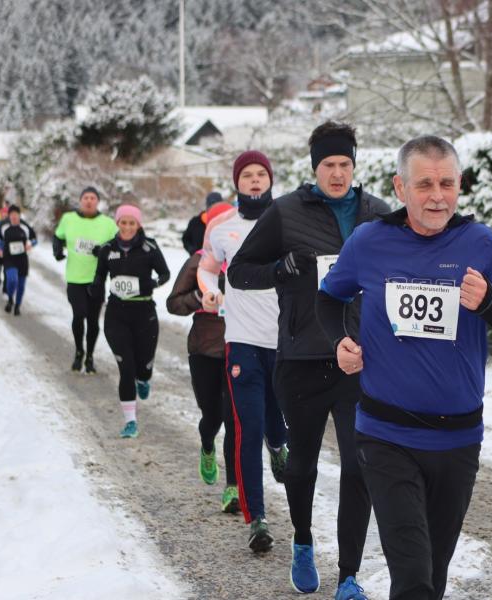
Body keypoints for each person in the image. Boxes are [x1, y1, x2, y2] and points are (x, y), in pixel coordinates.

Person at [316, 135, 492, 600]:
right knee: (413, 576)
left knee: (433, 576)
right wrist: (340, 341)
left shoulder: (480, 243)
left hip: (458, 440)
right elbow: (327, 298)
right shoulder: (370, 242)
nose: (437, 196)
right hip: (385, 434)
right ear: (400, 187)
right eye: (424, 184)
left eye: (447, 183)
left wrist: (489, 302)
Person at [227, 121, 389, 599]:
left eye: (344, 164)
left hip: (357, 361)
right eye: (328, 165)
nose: (337, 173)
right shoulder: (285, 213)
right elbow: (239, 273)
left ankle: (349, 576)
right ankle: (302, 540)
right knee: (302, 468)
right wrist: (280, 269)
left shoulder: (378, 215)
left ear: (354, 166)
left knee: (359, 467)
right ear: (314, 167)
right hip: (300, 359)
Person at [198, 151, 289, 554]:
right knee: (247, 428)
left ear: (270, 180)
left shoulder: (288, 220)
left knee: (276, 421)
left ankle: (278, 444)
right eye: (247, 175)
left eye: (261, 174)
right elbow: (206, 267)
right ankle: (257, 519)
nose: (255, 181)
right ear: (237, 182)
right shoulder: (221, 227)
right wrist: (209, 288)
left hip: (286, 341)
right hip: (242, 340)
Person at [167, 202, 241, 513]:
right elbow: (173, 303)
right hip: (203, 349)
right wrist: (199, 297)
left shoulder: (248, 260)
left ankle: (233, 488)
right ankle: (207, 445)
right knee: (211, 418)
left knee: (233, 420)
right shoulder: (198, 262)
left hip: (239, 348)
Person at [93, 205, 170, 438]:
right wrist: (96, 286)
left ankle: (144, 378)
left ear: (138, 225)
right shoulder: (108, 249)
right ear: (117, 223)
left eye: (131, 223)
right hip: (116, 314)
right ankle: (130, 422)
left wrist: (151, 285)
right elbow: (99, 275)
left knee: (143, 365)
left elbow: (165, 274)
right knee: (126, 369)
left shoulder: (150, 247)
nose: (127, 227)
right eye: (123, 222)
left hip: (144, 313)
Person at [53, 187, 118, 374]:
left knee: (93, 320)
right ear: (80, 201)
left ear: (98, 202)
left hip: (97, 279)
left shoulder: (107, 223)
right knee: (78, 314)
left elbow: (116, 244)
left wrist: (104, 251)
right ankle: (78, 351)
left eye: (93, 198)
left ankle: (89, 355)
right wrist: (57, 251)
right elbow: (58, 237)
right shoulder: (68, 219)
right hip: (75, 278)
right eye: (85, 198)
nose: (89, 201)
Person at [0, 205, 38, 316]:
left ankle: (17, 306)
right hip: (9, 259)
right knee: (12, 279)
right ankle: (10, 298)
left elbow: (35, 240)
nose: (14, 216)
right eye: (12, 215)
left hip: (22, 260)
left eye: (16, 214)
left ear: (19, 215)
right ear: (9, 216)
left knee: (21, 285)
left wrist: (30, 244)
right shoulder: (3, 227)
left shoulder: (25, 227)